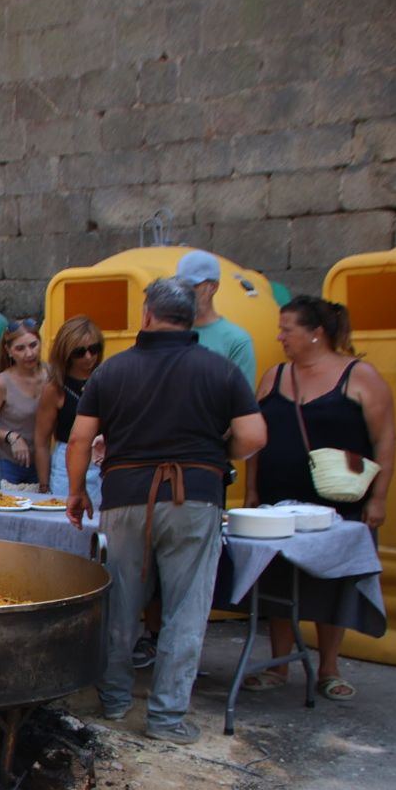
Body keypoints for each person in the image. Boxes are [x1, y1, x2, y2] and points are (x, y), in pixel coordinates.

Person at [66, 278, 266, 744]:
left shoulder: (112, 372)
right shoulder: (219, 369)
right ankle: (166, 718)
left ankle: (115, 701)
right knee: (185, 610)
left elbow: (79, 438)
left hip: (125, 496)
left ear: (147, 315)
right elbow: (254, 437)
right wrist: (214, 452)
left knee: (121, 605)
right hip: (195, 496)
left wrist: (77, 491)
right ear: (189, 318)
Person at [243, 296, 395, 702]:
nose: (280, 336)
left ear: (316, 333)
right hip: (277, 499)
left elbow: (385, 439)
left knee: (333, 581)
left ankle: (328, 666)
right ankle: (277, 664)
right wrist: (253, 490)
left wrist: (378, 499)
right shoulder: (274, 376)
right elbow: (257, 440)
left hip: (338, 502)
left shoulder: (360, 376)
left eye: (287, 329)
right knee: (274, 577)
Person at [35, 315, 105, 503]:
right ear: (66, 353)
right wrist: (43, 485)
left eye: (94, 349)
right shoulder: (54, 388)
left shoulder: (105, 379)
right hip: (67, 462)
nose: (89, 356)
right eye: (79, 352)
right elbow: (41, 440)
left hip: (103, 461)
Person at [0, 317, 47, 486]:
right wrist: (12, 437)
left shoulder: (50, 376)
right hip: (7, 464)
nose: (29, 354)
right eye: (20, 348)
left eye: (33, 345)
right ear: (9, 350)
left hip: (40, 462)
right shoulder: (2, 383)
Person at [175, 249, 256, 383]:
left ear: (213, 287)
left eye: (193, 285)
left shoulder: (236, 340)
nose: (186, 291)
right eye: (181, 285)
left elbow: (241, 400)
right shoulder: (170, 331)